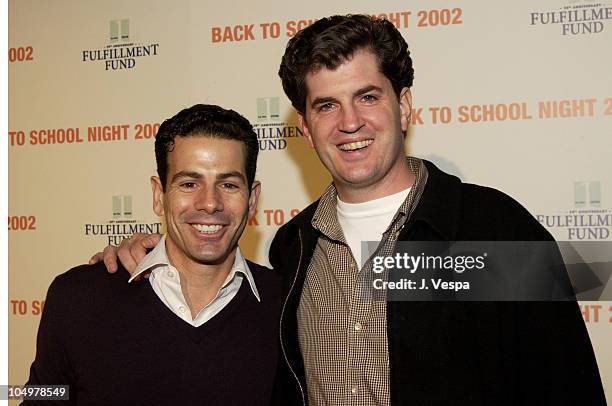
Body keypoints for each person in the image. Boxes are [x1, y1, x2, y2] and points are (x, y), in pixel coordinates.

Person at [93, 15, 606, 406]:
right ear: (305, 126)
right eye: (326, 105)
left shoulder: (492, 228)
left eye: (367, 96)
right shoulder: (294, 248)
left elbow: (567, 384)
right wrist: (151, 251)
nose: (350, 122)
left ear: (403, 106)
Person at [25, 104, 281, 405]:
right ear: (159, 196)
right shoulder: (77, 297)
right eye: (189, 183)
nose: (210, 203)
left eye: (228, 184)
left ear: (252, 200)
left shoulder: (287, 305)